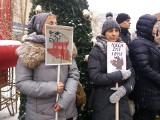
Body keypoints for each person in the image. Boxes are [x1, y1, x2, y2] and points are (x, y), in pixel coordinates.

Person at [15, 13, 80, 120]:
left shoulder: (65, 45)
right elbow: (22, 83)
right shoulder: (28, 50)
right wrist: (51, 87)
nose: (54, 26)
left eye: (56, 23)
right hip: (40, 114)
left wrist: (65, 100)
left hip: (66, 112)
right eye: (50, 23)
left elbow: (74, 74)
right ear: (39, 26)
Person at [88, 16, 135, 120]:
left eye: (117, 30)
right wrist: (119, 75)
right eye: (110, 31)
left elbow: (131, 73)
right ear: (104, 33)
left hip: (122, 103)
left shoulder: (123, 49)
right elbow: (95, 77)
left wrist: (125, 89)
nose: (114, 34)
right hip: (103, 102)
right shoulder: (96, 52)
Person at [129, 14, 160, 120]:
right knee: (146, 116)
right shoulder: (139, 43)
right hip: (145, 91)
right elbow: (144, 67)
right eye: (155, 25)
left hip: (152, 89)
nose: (157, 28)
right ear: (147, 27)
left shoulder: (148, 42)